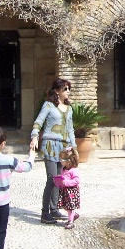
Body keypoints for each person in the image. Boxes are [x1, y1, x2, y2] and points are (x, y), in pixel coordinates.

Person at [30, 78, 76, 224]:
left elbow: (70, 129)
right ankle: (45, 213)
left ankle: (54, 209)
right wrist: (34, 136)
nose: (68, 91)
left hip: (63, 148)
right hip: (50, 145)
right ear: (57, 91)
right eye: (65, 89)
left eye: (69, 89)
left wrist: (74, 148)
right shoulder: (49, 105)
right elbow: (39, 121)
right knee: (51, 179)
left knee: (59, 179)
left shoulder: (69, 108)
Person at [53, 147, 81, 229]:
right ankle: (73, 215)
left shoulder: (74, 170)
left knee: (70, 207)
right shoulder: (63, 169)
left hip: (71, 191)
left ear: (69, 161)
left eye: (62, 160)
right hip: (65, 190)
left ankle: (71, 221)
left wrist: (67, 182)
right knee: (65, 206)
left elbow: (77, 180)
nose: (61, 161)